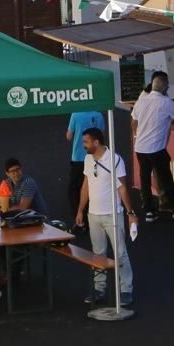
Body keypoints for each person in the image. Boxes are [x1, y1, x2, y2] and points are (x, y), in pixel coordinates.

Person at [75, 127, 136, 306]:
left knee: (120, 253)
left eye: (86, 142)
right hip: (93, 214)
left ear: (96, 142)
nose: (83, 145)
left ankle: (126, 289)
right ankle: (99, 288)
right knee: (98, 254)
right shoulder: (87, 159)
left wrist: (130, 213)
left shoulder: (115, 160)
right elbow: (85, 186)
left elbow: (122, 187)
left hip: (112, 214)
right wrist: (80, 210)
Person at [131, 72, 174, 221]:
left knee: (145, 179)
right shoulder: (165, 102)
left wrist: (139, 135)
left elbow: (133, 122)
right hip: (156, 149)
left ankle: (149, 211)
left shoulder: (141, 101)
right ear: (164, 87)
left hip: (140, 148)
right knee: (166, 179)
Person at [65, 108, 105, 219]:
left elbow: (69, 136)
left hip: (78, 158)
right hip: (95, 157)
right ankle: (92, 215)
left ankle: (79, 217)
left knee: (74, 189)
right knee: (93, 187)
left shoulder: (75, 114)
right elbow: (102, 136)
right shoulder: (99, 115)